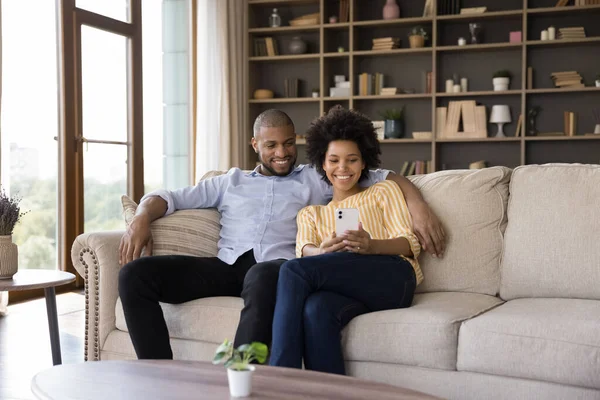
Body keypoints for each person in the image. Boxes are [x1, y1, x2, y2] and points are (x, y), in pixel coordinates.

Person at [118, 109, 444, 360]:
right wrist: (141, 218)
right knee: (135, 274)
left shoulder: (317, 177)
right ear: (255, 144)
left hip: (277, 269)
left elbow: (379, 174)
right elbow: (171, 197)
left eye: (288, 143)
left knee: (263, 274)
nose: (282, 153)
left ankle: (242, 376)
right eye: (271, 145)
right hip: (226, 265)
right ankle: (158, 372)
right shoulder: (229, 181)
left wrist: (418, 204)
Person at [269, 107, 423, 375]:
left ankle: (282, 379)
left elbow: (411, 243)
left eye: (352, 160)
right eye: (334, 160)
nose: (342, 168)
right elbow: (304, 251)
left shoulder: (383, 191)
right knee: (316, 309)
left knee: (290, 270)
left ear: (364, 162)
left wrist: (371, 245)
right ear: (323, 164)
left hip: (393, 278)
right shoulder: (311, 214)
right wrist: (322, 252)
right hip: (347, 290)